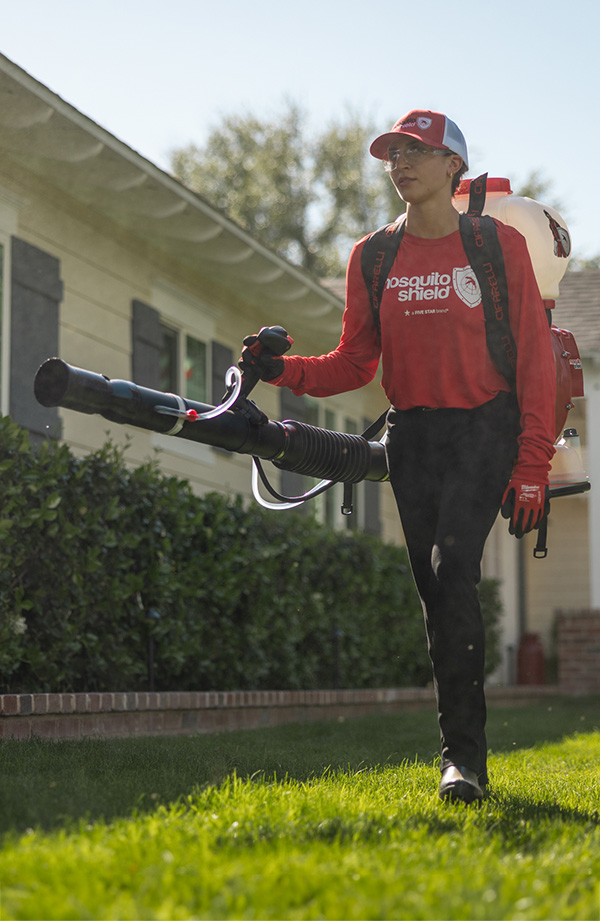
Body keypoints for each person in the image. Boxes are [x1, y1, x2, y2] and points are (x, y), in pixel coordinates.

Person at [240, 109, 556, 804]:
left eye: (417, 150)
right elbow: (353, 362)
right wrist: (280, 368)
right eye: (393, 153)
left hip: (485, 426)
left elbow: (534, 358)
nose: (401, 162)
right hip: (412, 435)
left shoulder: (495, 245)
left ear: (452, 167)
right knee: (435, 596)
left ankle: (462, 759)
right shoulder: (373, 257)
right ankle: (460, 757)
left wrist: (532, 463)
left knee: (451, 570)